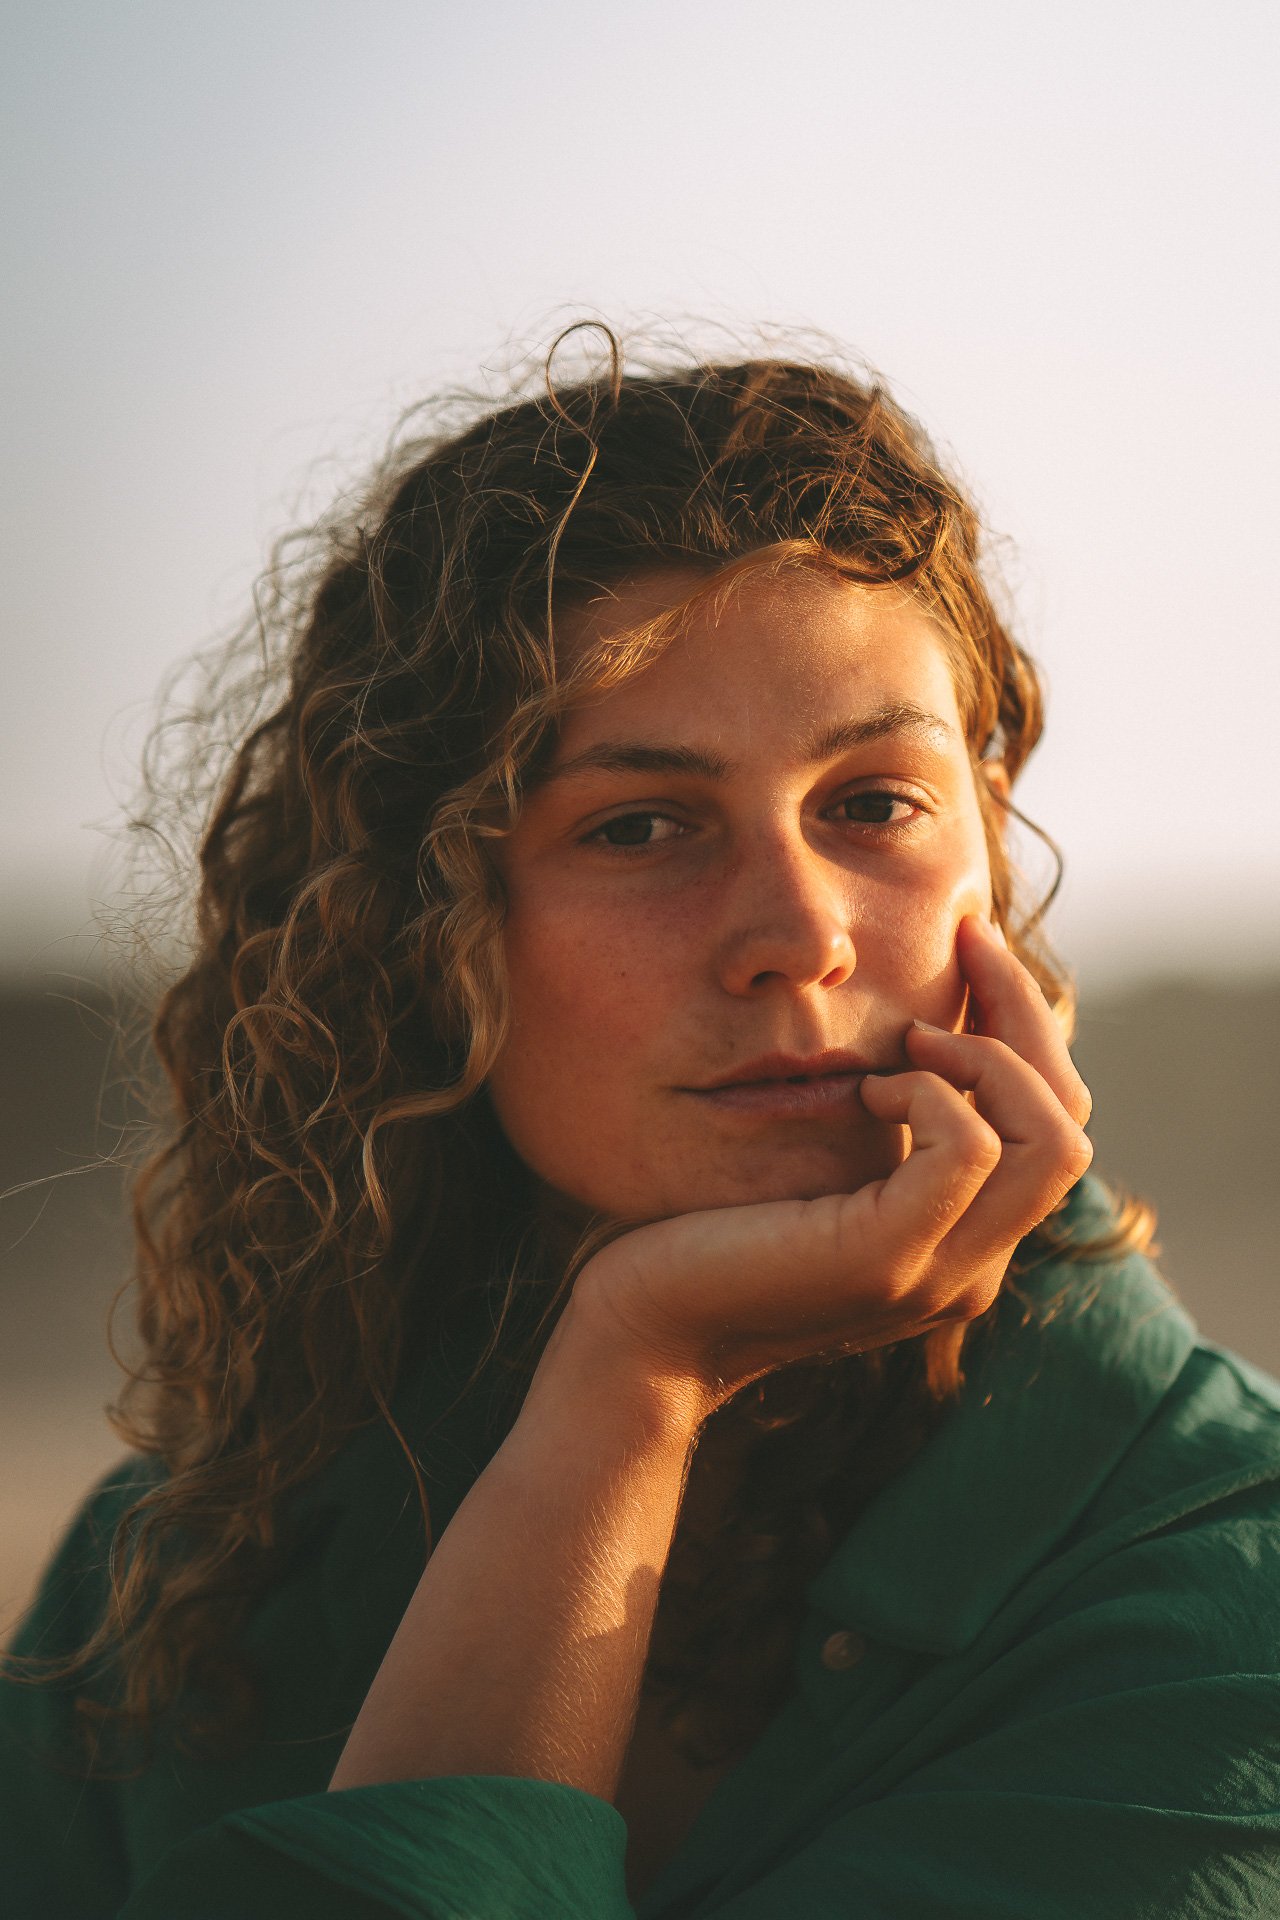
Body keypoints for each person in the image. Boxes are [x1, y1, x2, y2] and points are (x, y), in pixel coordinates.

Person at [4, 326, 1279, 1918]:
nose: (797, 931)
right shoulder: (192, 1569)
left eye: (874, 802)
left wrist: (643, 1366)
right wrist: (625, 1392)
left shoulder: (1227, 1585)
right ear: (422, 926)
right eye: (643, 824)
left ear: (993, 845)